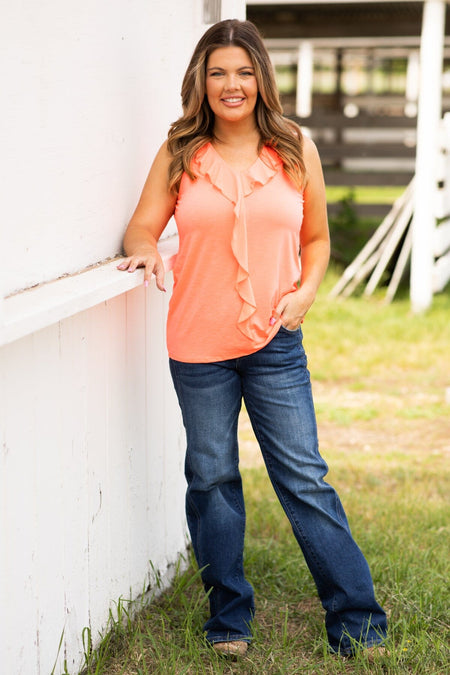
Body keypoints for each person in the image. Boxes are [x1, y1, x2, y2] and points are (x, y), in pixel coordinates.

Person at [117, 19, 387, 659]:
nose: (231, 85)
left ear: (261, 78)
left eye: (243, 72)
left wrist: (304, 294)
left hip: (275, 342)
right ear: (201, 82)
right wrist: (147, 253)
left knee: (304, 479)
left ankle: (357, 620)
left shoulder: (295, 149)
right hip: (197, 348)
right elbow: (140, 229)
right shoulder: (180, 151)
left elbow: (317, 240)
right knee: (211, 479)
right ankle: (229, 619)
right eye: (217, 73)